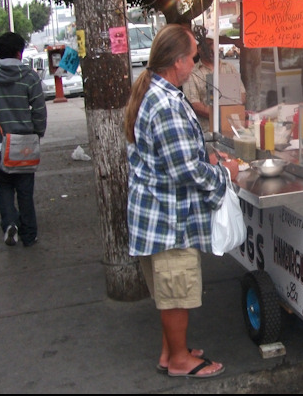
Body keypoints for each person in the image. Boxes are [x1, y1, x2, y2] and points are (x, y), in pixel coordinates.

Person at [124, 23, 238, 378]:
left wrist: (209, 159)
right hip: (168, 219)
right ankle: (179, 362)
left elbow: (179, 158)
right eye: (192, 57)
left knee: (167, 291)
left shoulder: (160, 93)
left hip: (156, 214)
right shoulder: (165, 104)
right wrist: (224, 174)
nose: (195, 62)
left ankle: (170, 351)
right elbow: (185, 171)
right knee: (176, 291)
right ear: (176, 62)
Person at [0, 32, 47, 247]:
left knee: (3, 187)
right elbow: (39, 110)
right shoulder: (30, 77)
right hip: (24, 145)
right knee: (25, 190)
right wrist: (37, 133)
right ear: (19, 53)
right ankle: (29, 235)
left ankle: (10, 223)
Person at [182, 36, 246, 133]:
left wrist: (229, 112)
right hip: (207, 130)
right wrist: (221, 115)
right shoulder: (192, 73)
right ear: (199, 49)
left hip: (233, 128)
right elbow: (194, 104)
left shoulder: (229, 68)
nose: (211, 51)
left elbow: (242, 94)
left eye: (213, 46)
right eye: (207, 47)